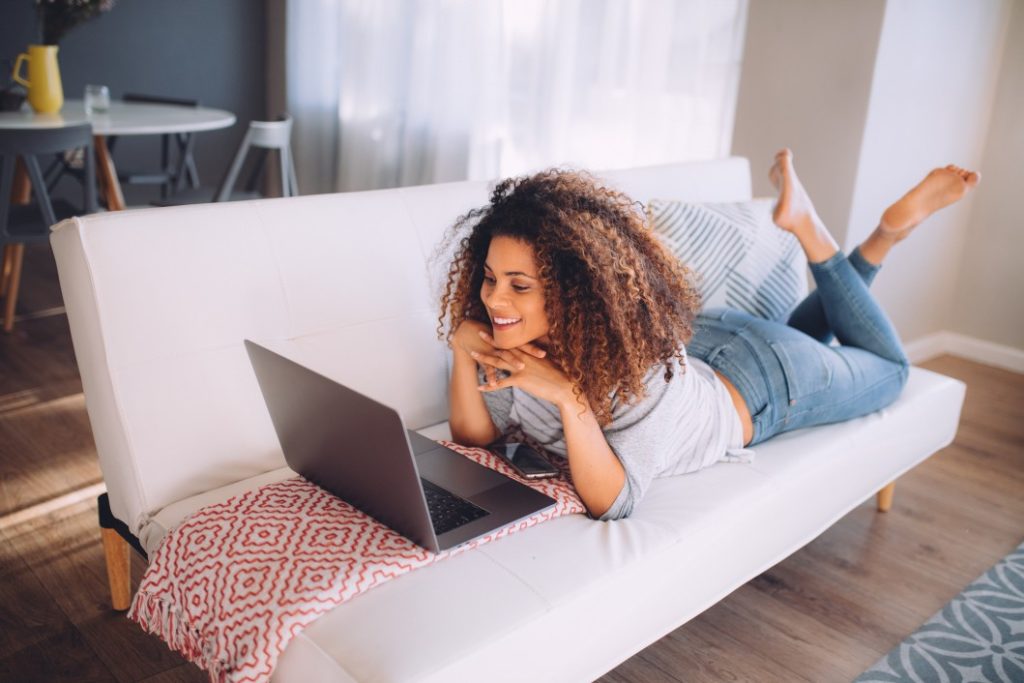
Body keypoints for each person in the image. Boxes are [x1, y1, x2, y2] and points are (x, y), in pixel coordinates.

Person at [437, 150, 979, 521]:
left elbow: (615, 502)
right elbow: (476, 437)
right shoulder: (512, 338)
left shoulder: (641, 374)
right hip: (710, 340)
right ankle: (876, 241)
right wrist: (465, 352)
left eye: (519, 285)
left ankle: (842, 232)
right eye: (488, 277)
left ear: (574, 290)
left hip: (765, 379)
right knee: (808, 334)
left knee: (891, 370)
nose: (493, 300)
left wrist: (568, 394)